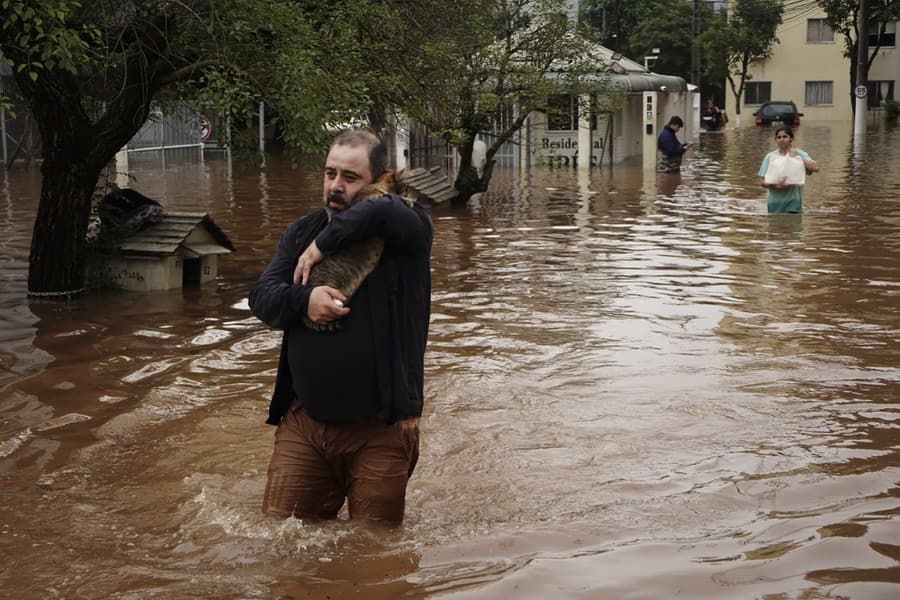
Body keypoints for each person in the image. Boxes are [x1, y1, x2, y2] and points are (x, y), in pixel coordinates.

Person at [248, 129, 433, 524]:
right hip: (305, 423)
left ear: (379, 182)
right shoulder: (301, 231)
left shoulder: (408, 231)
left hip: (381, 428)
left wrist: (322, 247)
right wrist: (304, 300)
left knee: (375, 558)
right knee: (278, 542)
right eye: (329, 174)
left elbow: (382, 211)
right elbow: (262, 299)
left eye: (350, 178)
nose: (335, 186)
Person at [758, 127, 819, 213]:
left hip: (794, 204)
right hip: (775, 204)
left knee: (794, 225)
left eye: (785, 136)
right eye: (779, 137)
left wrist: (798, 158)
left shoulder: (799, 153)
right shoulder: (770, 157)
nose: (781, 139)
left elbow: (816, 168)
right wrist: (775, 186)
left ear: (791, 138)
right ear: (776, 140)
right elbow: (762, 182)